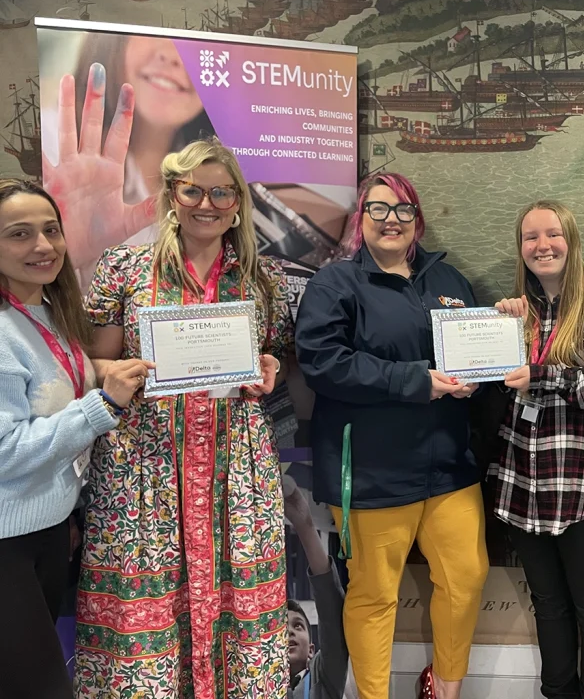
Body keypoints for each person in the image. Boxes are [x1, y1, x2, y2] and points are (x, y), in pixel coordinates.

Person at [73, 138, 295, 699]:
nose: (207, 204)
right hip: (145, 471)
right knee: (145, 617)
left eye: (221, 192)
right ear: (173, 194)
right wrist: (118, 373)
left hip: (235, 471)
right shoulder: (125, 268)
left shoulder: (262, 277)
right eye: (193, 190)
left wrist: (268, 366)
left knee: (239, 614)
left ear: (238, 202)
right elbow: (93, 362)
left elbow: (271, 357)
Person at [295, 173, 489, 699]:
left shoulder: (448, 279)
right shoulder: (335, 284)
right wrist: (414, 381)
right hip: (371, 473)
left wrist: (481, 373)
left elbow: (475, 348)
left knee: (466, 577)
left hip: (449, 467)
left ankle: (444, 687)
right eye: (378, 209)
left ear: (417, 220)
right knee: (374, 595)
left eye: (403, 209)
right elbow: (323, 362)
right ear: (361, 218)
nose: (391, 220)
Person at [0, 178, 152, 699]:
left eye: (51, 230)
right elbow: (6, 451)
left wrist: (107, 371)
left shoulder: (47, 311)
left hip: (45, 531)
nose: (42, 246)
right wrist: (102, 405)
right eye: (19, 234)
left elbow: (61, 379)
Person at [41, 34, 348, 283]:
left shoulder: (236, 182)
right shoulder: (51, 149)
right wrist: (67, 256)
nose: (172, 56)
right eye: (156, 33)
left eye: (196, 47)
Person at [490, 200, 584, 699]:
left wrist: (545, 376)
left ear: (571, 240)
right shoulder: (516, 312)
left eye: (552, 234)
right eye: (530, 237)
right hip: (524, 485)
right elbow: (491, 386)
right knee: (548, 605)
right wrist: (497, 333)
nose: (542, 246)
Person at [282, 474, 358, 699]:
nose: (289, 632)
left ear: (312, 651)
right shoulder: (251, 682)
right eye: (282, 627)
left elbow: (331, 613)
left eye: (298, 626)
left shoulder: (322, 679)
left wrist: (304, 524)